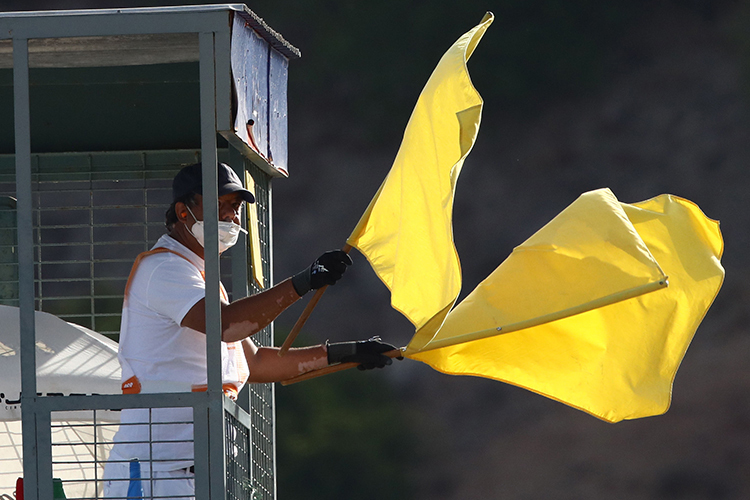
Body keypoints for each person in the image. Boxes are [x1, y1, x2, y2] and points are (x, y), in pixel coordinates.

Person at [103, 162, 396, 498]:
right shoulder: (164, 269)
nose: (230, 216)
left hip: (196, 475)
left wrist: (347, 353)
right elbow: (226, 325)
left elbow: (256, 365)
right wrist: (304, 281)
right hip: (155, 476)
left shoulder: (201, 282)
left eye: (236, 207)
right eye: (219, 205)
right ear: (183, 212)